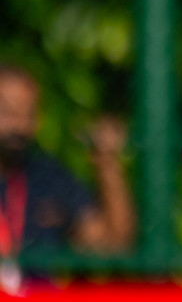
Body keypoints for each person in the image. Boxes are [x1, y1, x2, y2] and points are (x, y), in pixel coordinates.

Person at [0, 65, 135, 261]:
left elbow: (113, 244)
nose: (19, 126)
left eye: (27, 114)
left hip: (38, 290)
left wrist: (107, 164)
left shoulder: (48, 178)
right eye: (7, 112)